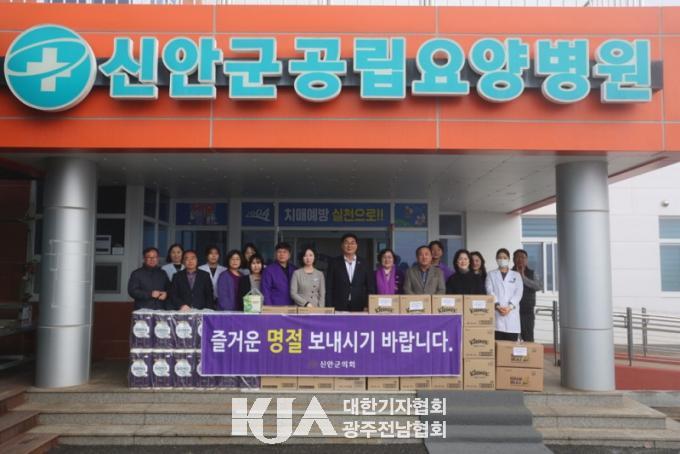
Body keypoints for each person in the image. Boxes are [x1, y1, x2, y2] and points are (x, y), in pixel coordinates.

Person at [326, 233, 375, 312]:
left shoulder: (364, 263)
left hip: (360, 305)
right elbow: (329, 287)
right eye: (346, 243)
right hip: (338, 305)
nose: (349, 246)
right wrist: (329, 306)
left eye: (352, 243)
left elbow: (370, 287)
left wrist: (368, 305)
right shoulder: (334, 263)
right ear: (342, 245)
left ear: (356, 245)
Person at [486, 248, 524, 341]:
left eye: (504, 257)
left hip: (511, 316)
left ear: (509, 259)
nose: (502, 259)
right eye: (500, 257)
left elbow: (518, 293)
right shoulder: (491, 274)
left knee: (510, 346)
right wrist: (497, 306)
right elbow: (489, 291)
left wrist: (509, 307)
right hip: (496, 315)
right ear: (496, 259)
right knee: (496, 344)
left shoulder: (516, 275)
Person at [513, 249, 543, 342]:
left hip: (527, 312)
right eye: (518, 257)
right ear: (513, 259)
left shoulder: (532, 273)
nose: (520, 259)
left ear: (527, 260)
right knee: (512, 338)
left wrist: (523, 277)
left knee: (528, 338)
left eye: (523, 257)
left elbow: (538, 286)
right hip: (512, 311)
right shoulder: (509, 273)